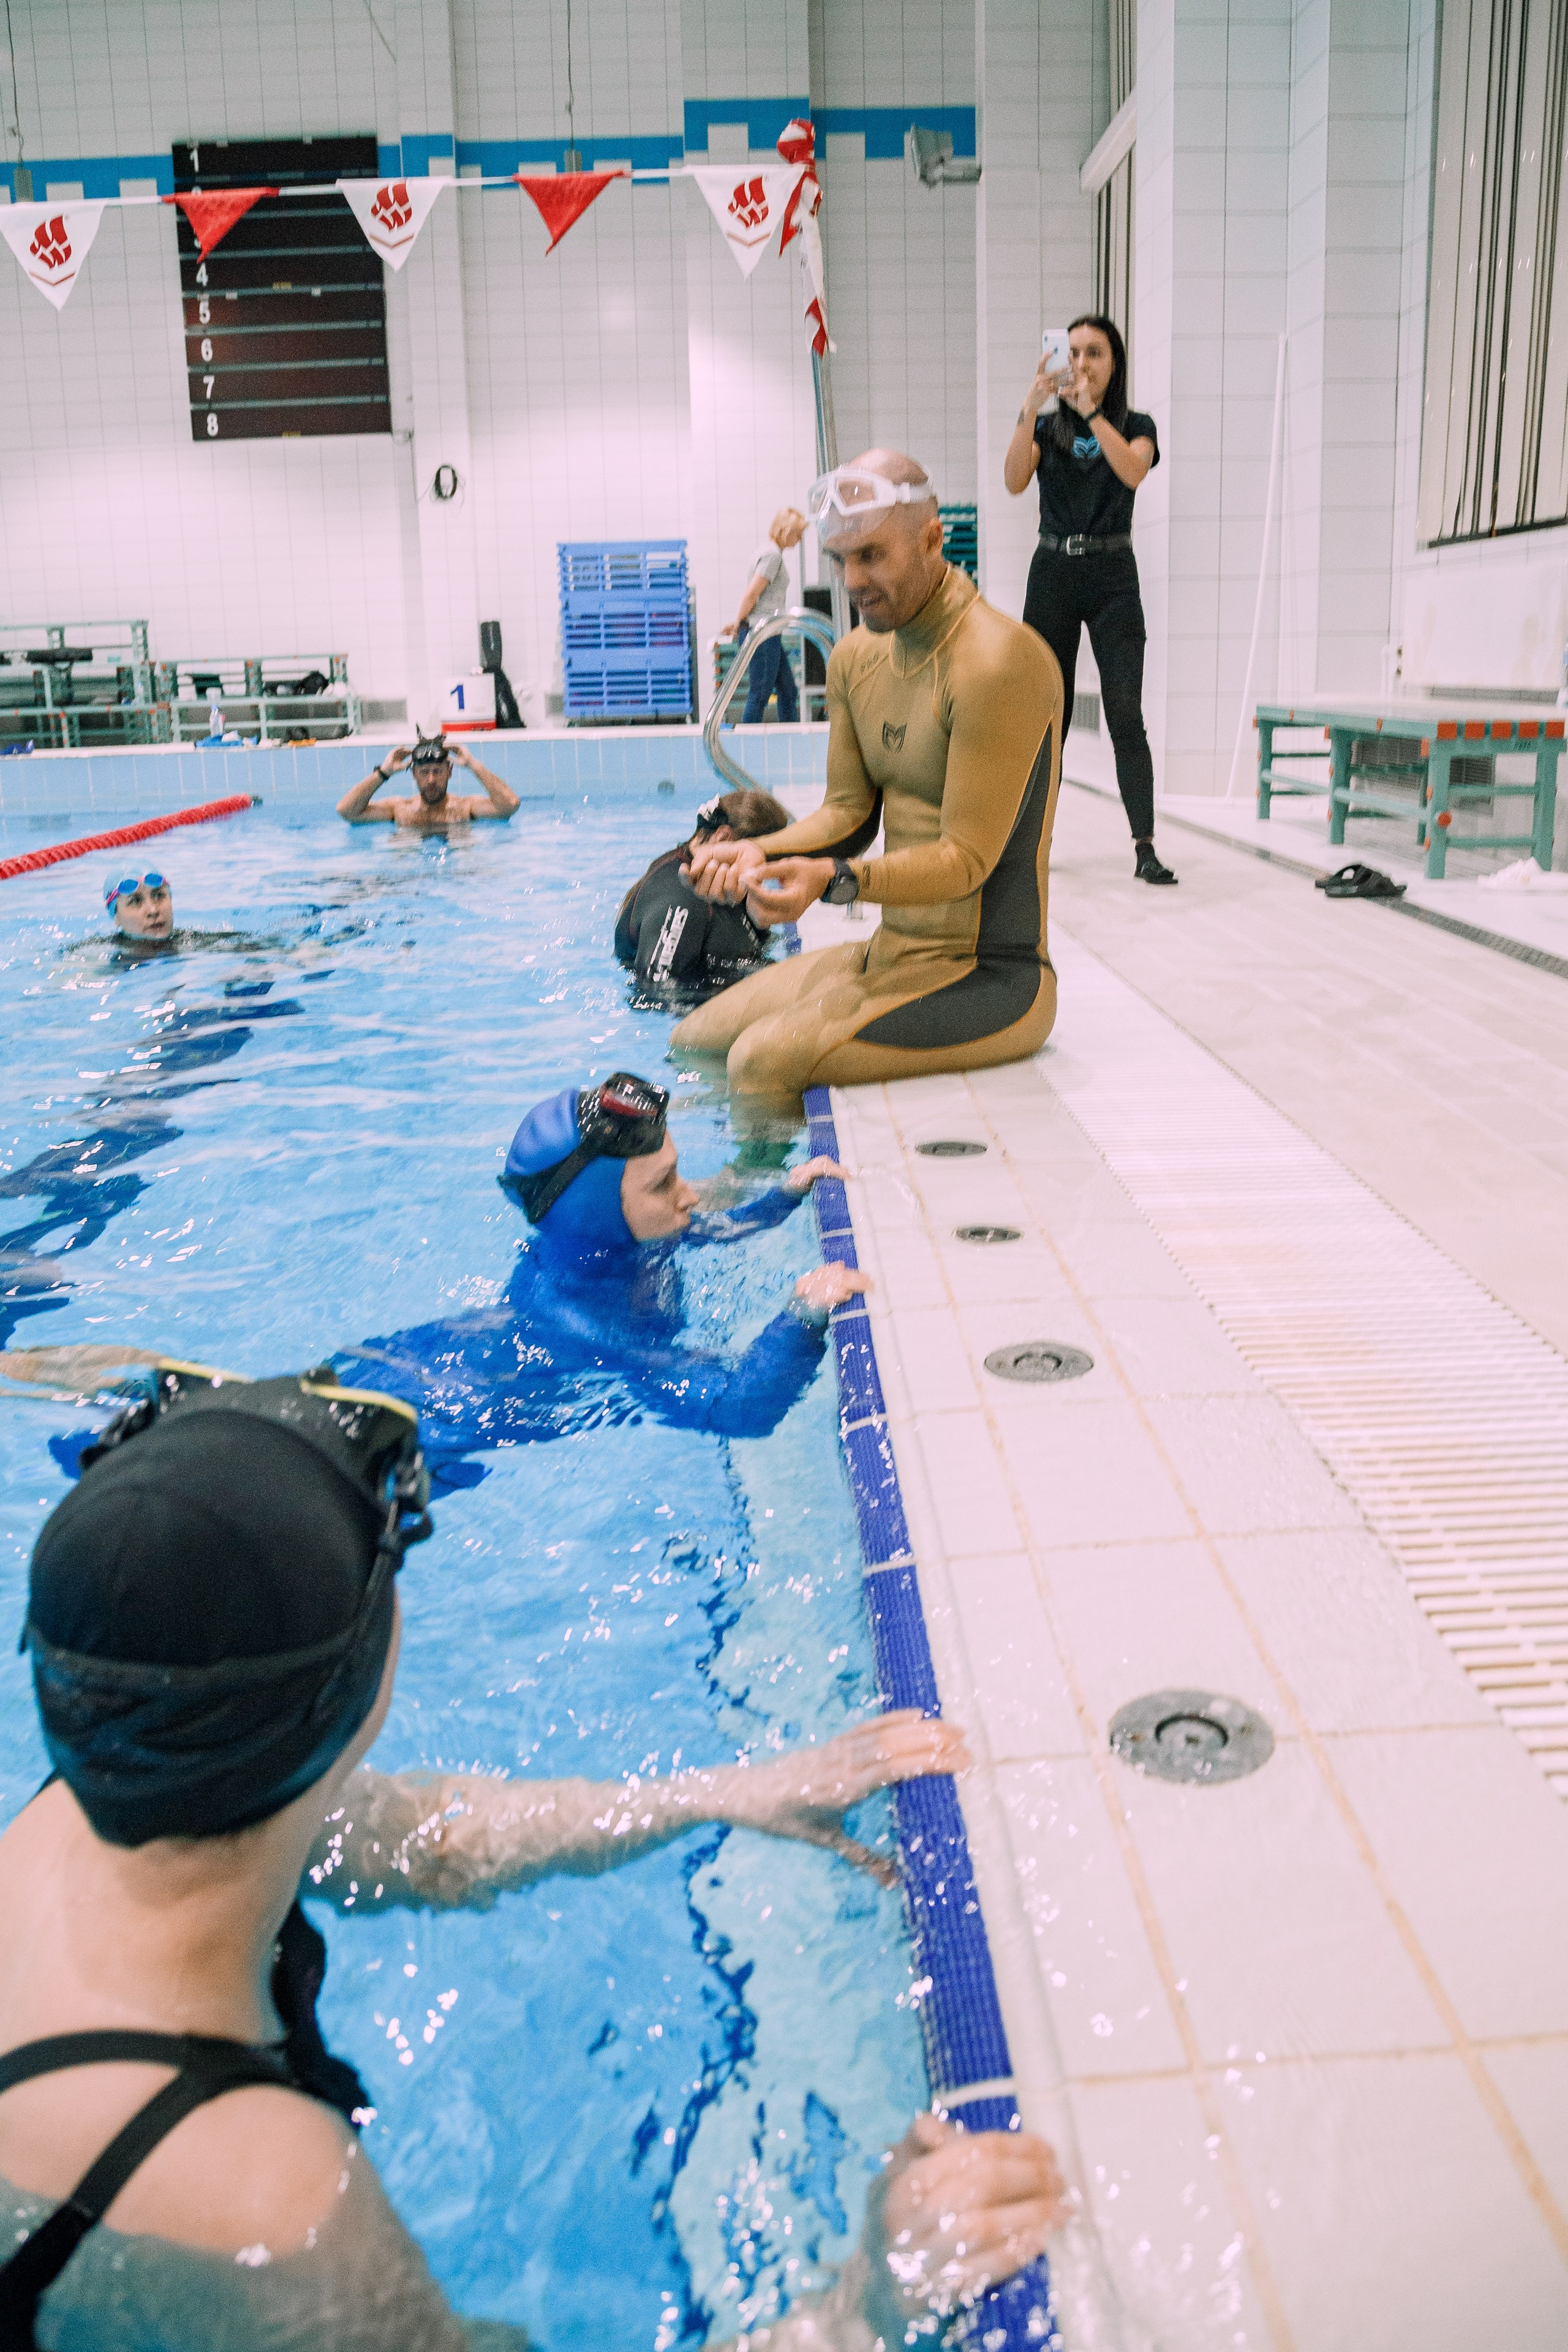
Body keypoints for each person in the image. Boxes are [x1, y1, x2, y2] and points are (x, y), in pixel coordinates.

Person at [0, 1365, 1062, 2350]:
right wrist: (868, 2301)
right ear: (361, 1684)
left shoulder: (114, 1790)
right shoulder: (268, 2198)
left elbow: (426, 1839)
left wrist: (719, 1795)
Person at [673, 450, 1064, 1105]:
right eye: (840, 559)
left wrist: (834, 880)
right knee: (693, 1040)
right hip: (891, 954)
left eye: (872, 556)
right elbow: (847, 815)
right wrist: (756, 850)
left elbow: (966, 861)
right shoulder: (856, 658)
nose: (853, 580)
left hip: (993, 977)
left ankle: (775, 1173)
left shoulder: (997, 662)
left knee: (758, 1064)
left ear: (932, 539)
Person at [330, 1072, 867, 1483]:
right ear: (597, 1211)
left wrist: (788, 1193)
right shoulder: (588, 1322)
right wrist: (803, 1316)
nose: (689, 1195)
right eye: (663, 1184)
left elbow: (717, 1229)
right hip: (421, 1429)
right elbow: (740, 1411)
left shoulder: (633, 1238)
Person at [1003, 314, 1177, 886]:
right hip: (1053, 570)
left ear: (1114, 363)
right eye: (1072, 352)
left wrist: (1092, 414)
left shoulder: (1136, 424)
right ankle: (1034, 845)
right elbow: (1014, 480)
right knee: (1045, 717)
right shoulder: (1045, 426)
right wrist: (1029, 408)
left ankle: (1145, 847)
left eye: (1094, 353)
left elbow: (1132, 470)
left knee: (1125, 712)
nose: (1080, 363)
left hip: (1112, 574)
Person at [614, 786, 792, 1001]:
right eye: (763, 859)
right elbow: (655, 992)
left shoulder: (725, 882)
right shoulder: (682, 898)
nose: (764, 873)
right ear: (724, 838)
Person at [724, 508, 808, 723]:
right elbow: (752, 593)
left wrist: (739, 621)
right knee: (760, 693)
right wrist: (738, 624)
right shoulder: (772, 556)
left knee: (788, 690)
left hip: (768, 631)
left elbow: (755, 596)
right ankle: (747, 741)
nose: (800, 539)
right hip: (762, 633)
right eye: (798, 533)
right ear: (785, 530)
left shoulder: (768, 552)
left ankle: (789, 736)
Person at [336, 735, 520, 829]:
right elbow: (347, 811)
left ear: (449, 772)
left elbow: (510, 805)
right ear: (414, 774)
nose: (431, 780)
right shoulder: (399, 809)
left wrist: (473, 764)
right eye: (424, 772)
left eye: (437, 772)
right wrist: (384, 773)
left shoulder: (466, 808)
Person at [103, 869, 175, 944]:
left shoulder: (184, 944)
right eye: (135, 901)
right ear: (116, 917)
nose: (153, 911)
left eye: (159, 896)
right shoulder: (100, 949)